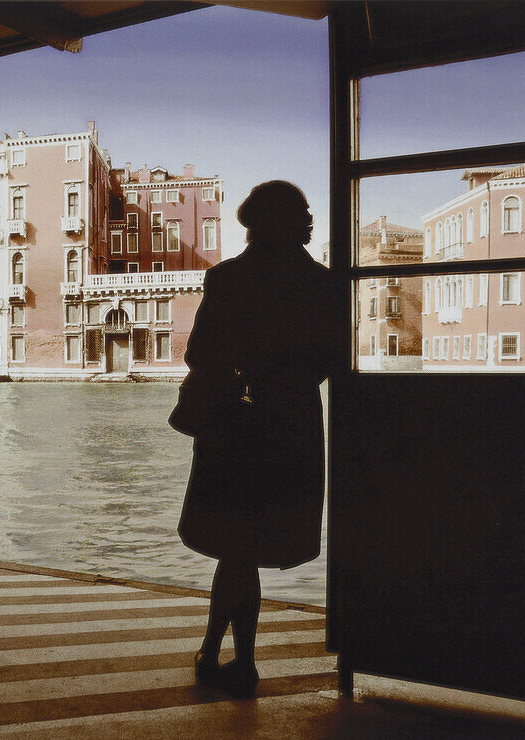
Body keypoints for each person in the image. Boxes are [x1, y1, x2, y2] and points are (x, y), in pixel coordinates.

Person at [171, 180, 332, 697]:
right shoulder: (323, 283)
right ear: (279, 220)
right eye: (302, 212)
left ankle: (228, 654)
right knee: (245, 547)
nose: (311, 220)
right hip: (291, 427)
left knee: (234, 547)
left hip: (234, 426)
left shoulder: (227, 278)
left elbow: (200, 353)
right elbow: (327, 361)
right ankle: (229, 655)